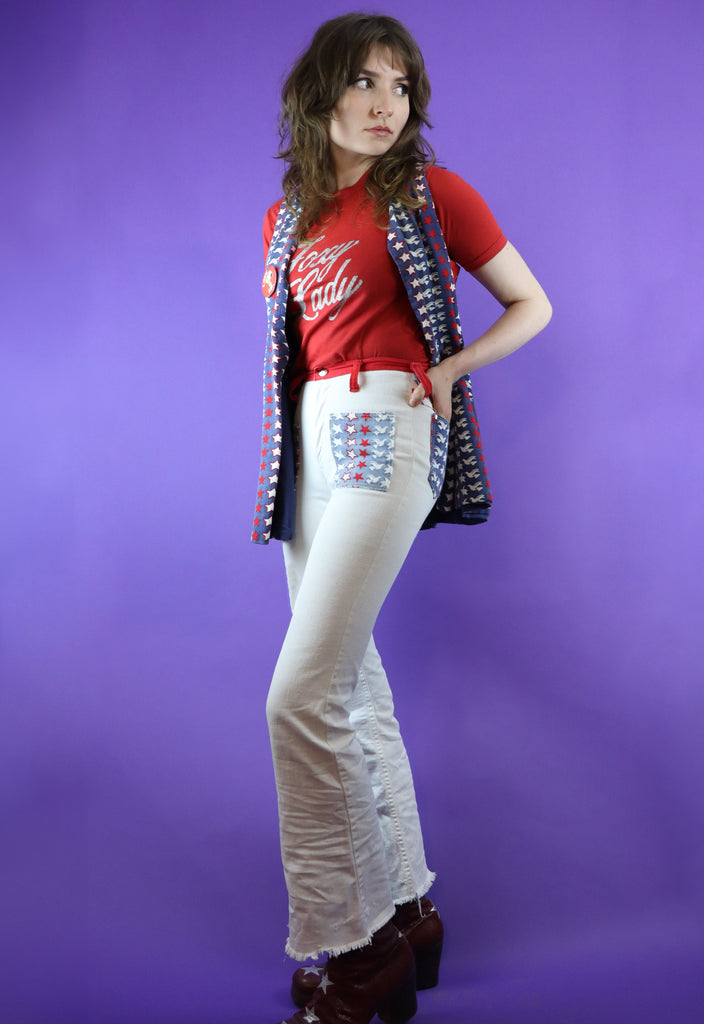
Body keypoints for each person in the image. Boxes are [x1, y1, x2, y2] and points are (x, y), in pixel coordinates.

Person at [254, 13, 551, 1024]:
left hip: (390, 421)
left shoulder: (431, 195)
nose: (387, 104)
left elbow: (531, 303)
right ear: (320, 94)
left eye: (402, 86)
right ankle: (409, 907)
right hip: (310, 440)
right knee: (353, 684)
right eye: (365, 82)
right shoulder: (286, 218)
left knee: (302, 695)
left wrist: (453, 370)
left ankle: (356, 950)